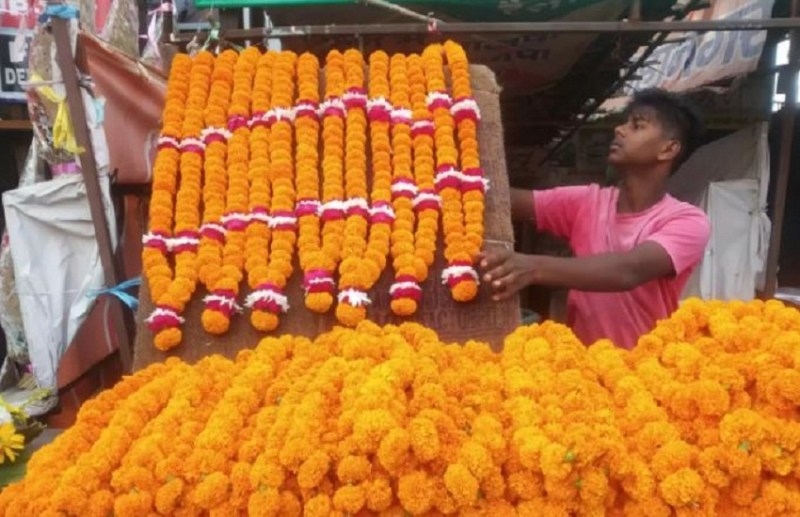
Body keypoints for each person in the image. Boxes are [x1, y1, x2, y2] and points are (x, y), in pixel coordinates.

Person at [480, 88, 711, 349]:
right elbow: (507, 201)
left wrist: (533, 268)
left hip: (645, 366)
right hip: (583, 365)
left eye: (637, 125)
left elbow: (629, 271)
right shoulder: (588, 202)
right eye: (624, 122)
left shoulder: (688, 221)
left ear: (668, 149)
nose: (619, 130)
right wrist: (454, 178)